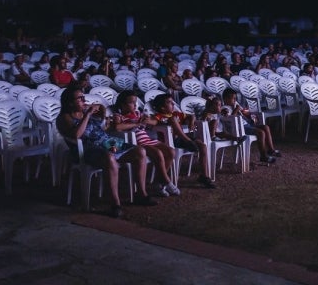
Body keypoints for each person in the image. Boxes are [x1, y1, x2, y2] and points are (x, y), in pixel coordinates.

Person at [56, 86, 157, 218]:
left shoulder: (85, 111)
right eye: (80, 98)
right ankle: (115, 204)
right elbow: (77, 135)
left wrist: (101, 112)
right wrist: (87, 115)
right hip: (87, 149)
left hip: (107, 143)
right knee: (109, 158)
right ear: (70, 102)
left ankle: (141, 194)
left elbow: (104, 125)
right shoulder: (65, 117)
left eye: (83, 97)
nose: (84, 100)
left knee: (140, 151)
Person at [111, 91, 181, 197]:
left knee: (170, 151)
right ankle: (167, 181)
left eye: (136, 102)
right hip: (136, 144)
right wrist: (137, 123)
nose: (135, 105)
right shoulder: (119, 116)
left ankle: (159, 183)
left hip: (148, 140)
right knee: (158, 153)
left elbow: (155, 122)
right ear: (123, 104)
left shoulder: (138, 114)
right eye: (131, 102)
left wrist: (147, 121)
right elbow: (117, 127)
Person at [149, 93, 216, 189]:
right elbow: (153, 122)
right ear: (163, 108)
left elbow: (191, 116)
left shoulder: (176, 114)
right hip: (168, 142)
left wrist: (192, 122)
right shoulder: (159, 116)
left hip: (180, 140)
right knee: (172, 120)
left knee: (202, 146)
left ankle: (204, 176)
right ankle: (188, 141)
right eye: (169, 103)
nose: (173, 105)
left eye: (173, 102)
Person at [221, 88, 279, 164]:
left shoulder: (235, 105)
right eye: (233, 98)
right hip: (238, 129)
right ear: (225, 99)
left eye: (235, 98)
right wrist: (236, 110)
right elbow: (230, 119)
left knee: (266, 127)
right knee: (260, 132)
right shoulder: (224, 108)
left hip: (246, 125)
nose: (235, 100)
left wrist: (247, 113)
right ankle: (263, 156)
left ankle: (271, 150)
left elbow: (245, 113)